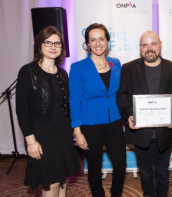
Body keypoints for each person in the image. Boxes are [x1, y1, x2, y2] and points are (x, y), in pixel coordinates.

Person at [117, 31, 172, 197]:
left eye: (153, 44)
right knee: (145, 172)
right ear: (140, 48)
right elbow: (122, 96)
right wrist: (128, 116)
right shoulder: (128, 68)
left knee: (162, 171)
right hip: (141, 132)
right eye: (144, 45)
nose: (149, 48)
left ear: (160, 45)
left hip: (165, 132)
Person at [16, 26, 80, 197]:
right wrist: (30, 142)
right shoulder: (28, 72)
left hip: (63, 136)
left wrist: (74, 130)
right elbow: (21, 110)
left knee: (62, 182)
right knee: (50, 185)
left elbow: (67, 106)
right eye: (48, 42)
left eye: (57, 43)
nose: (53, 47)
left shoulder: (62, 74)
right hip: (42, 138)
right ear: (39, 45)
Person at [69, 23, 126, 197]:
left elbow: (120, 93)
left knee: (120, 164)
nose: (98, 43)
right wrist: (77, 131)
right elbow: (74, 100)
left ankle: (116, 193)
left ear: (108, 41)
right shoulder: (78, 68)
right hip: (90, 124)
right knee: (94, 166)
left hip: (115, 122)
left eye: (101, 39)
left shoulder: (116, 63)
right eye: (92, 40)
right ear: (87, 43)